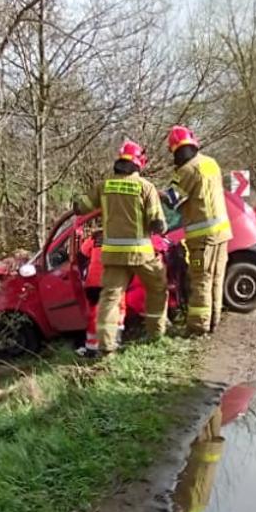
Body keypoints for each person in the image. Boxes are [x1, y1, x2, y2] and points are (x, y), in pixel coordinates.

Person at [73, 141, 168, 358]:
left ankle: (106, 347)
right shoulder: (146, 187)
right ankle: (156, 332)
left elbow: (80, 208)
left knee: (110, 297)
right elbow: (157, 222)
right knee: (157, 287)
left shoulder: (104, 186)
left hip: (113, 254)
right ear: (138, 163)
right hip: (140, 253)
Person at [168, 125, 230, 337]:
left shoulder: (186, 171)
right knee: (216, 277)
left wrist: (153, 193)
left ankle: (197, 328)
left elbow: (172, 199)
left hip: (202, 238)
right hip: (222, 234)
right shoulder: (211, 163)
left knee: (200, 278)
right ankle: (213, 321)